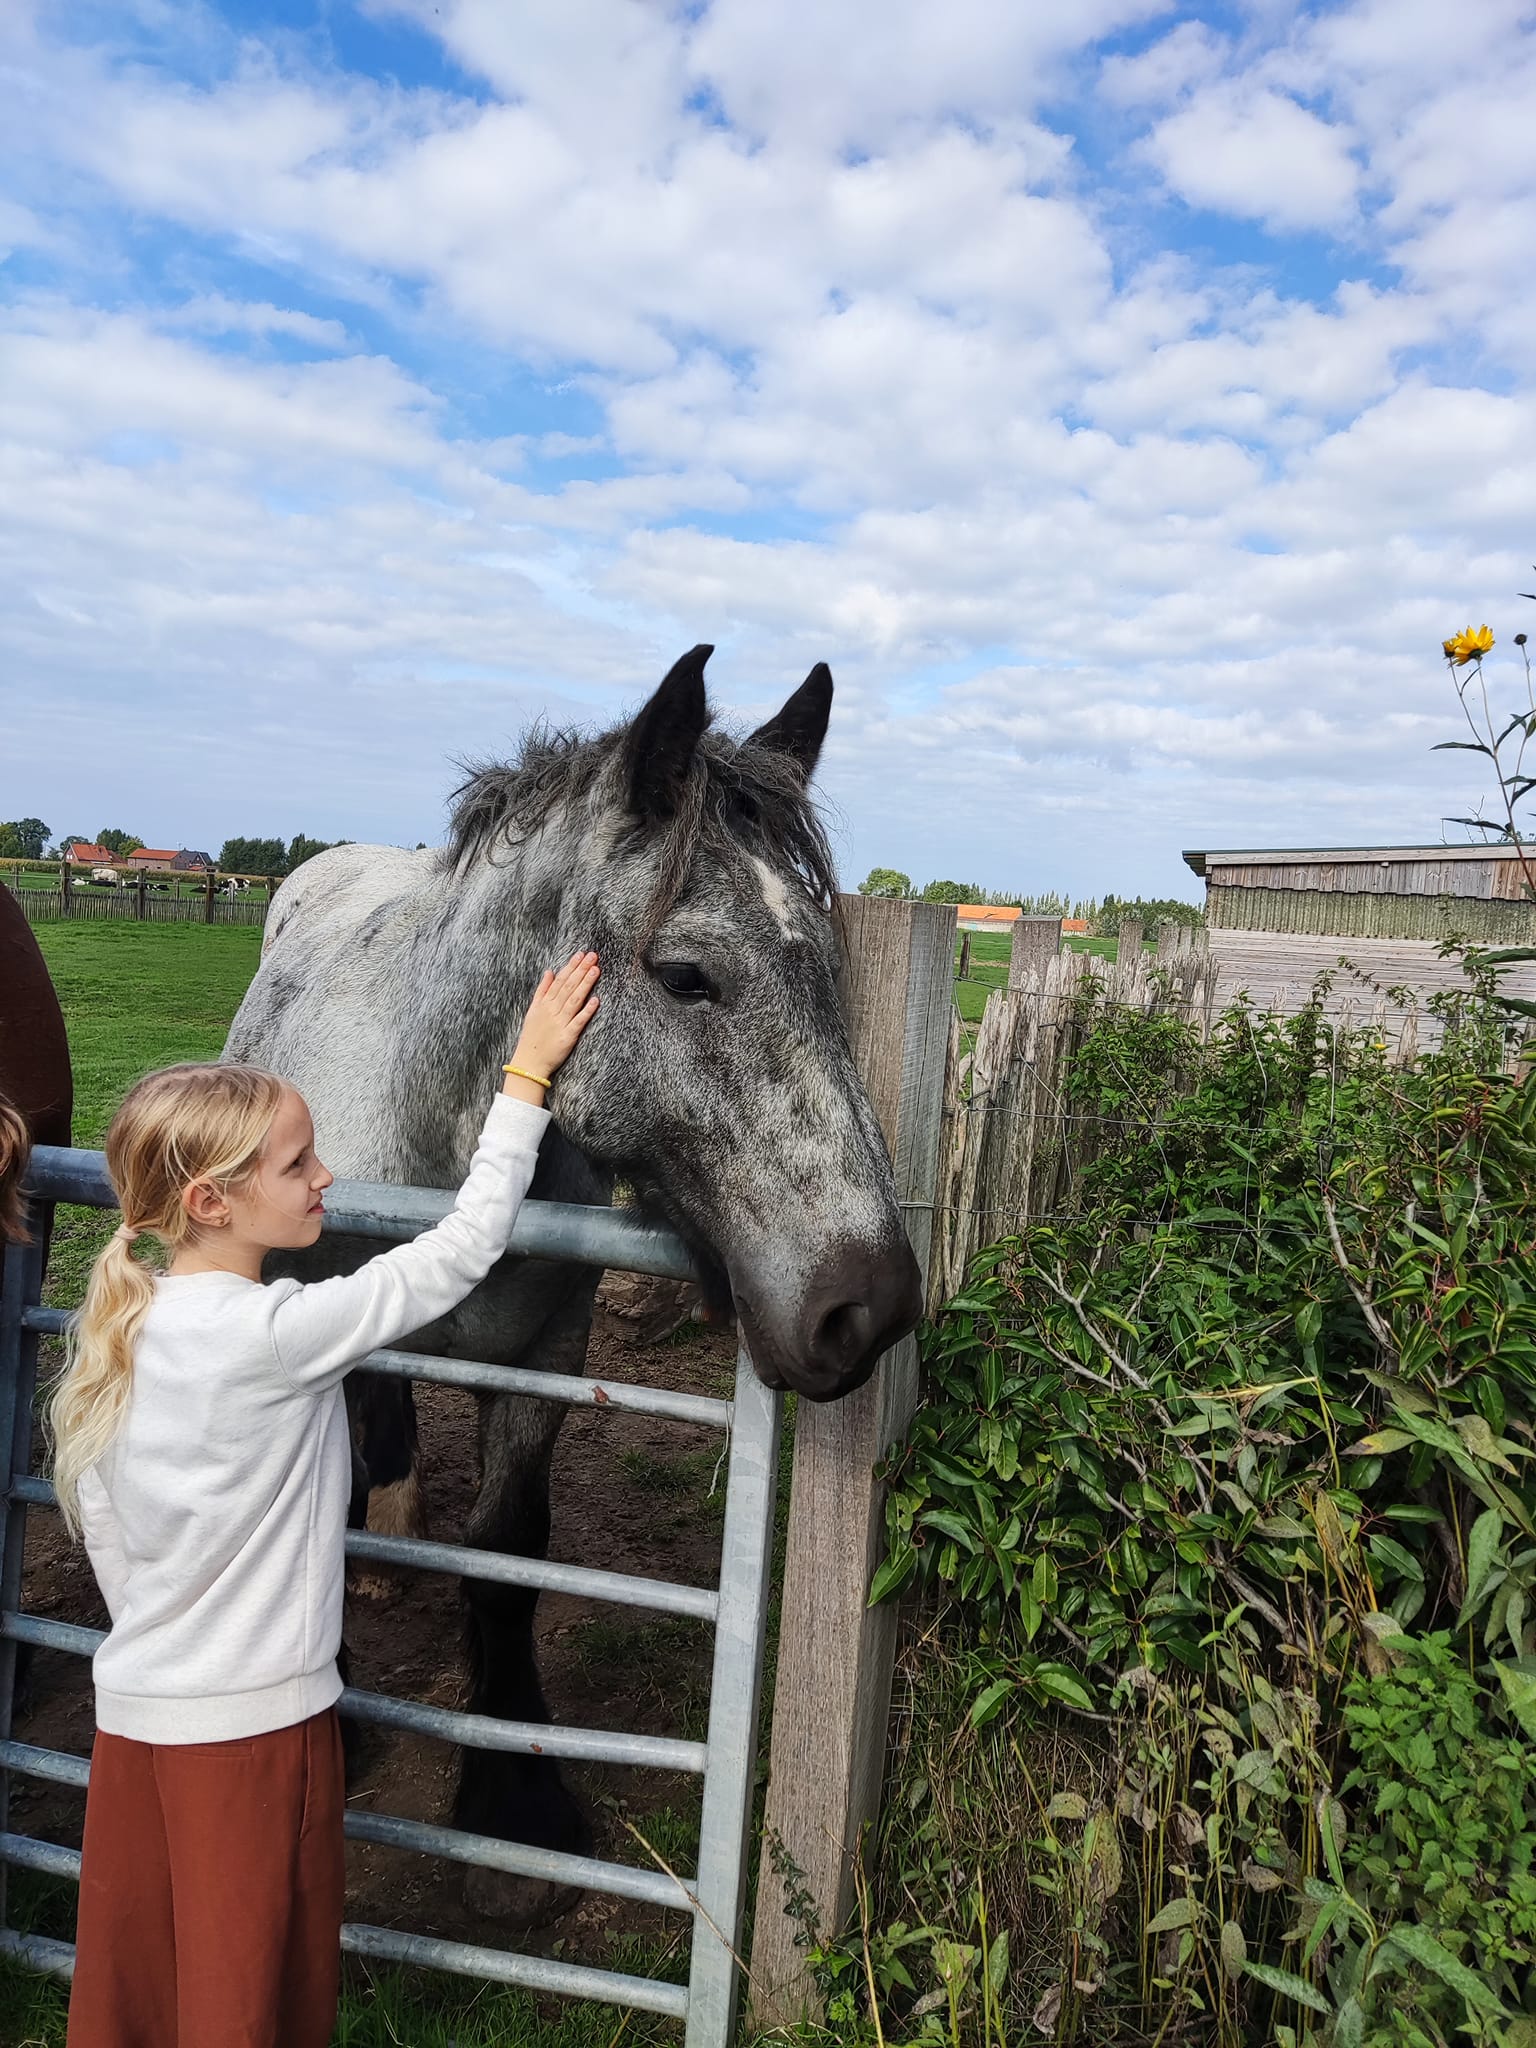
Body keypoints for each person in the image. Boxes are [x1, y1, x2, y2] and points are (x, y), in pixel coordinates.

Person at [53, 951, 601, 2048]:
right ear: (213, 1200)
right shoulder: (277, 1335)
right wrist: (527, 1078)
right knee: (251, 1991)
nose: (327, 1178)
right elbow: (454, 1252)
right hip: (258, 1733)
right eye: (300, 1162)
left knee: (146, 1988)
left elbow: (104, 1529)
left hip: (137, 1726)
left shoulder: (118, 1332)